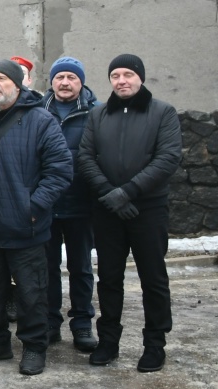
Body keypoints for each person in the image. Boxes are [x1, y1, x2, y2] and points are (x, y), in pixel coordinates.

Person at [0, 60, 71, 376]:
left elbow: (60, 170)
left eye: (1, 78)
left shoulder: (41, 120)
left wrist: (32, 207)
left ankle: (34, 347)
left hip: (27, 227)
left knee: (32, 292)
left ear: (17, 84)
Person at [78, 54, 182, 372]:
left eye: (128, 74)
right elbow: (85, 157)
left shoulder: (162, 112)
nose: (121, 80)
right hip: (108, 209)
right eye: (115, 75)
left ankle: (154, 345)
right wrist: (111, 194)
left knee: (153, 279)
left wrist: (128, 191)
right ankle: (108, 341)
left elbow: (167, 158)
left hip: (147, 209)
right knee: (109, 279)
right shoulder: (98, 114)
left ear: (140, 77)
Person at [40, 56, 99, 352]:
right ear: (51, 81)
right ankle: (50, 321)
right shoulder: (38, 110)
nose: (65, 82)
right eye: (60, 77)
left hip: (81, 205)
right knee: (47, 267)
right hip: (46, 205)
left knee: (81, 267)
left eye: (71, 78)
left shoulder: (96, 113)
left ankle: (82, 323)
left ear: (81, 82)